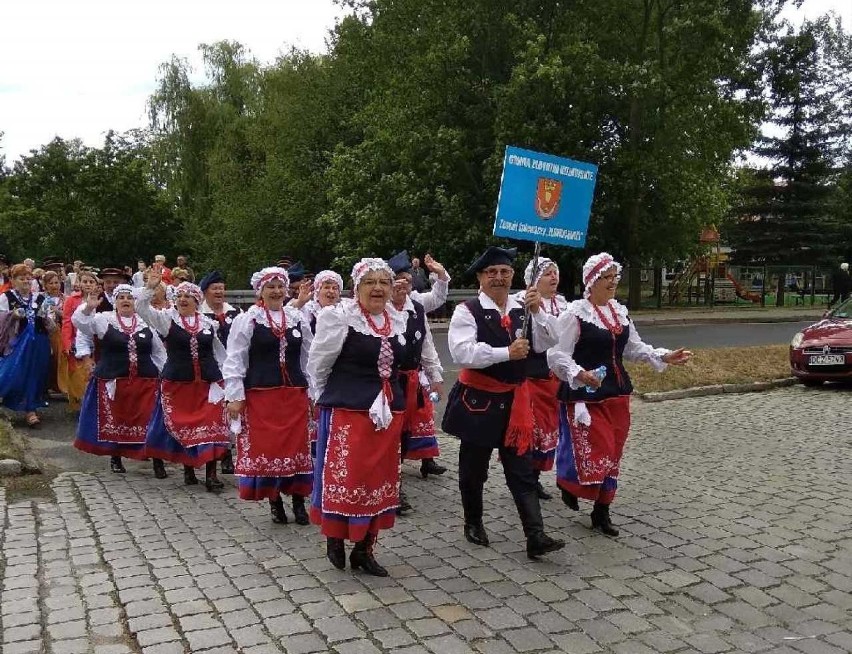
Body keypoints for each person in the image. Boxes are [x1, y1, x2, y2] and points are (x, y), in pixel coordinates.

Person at [547, 253, 692, 536]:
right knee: (596, 449)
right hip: (586, 394)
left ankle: (602, 511)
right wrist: (578, 373)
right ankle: (568, 483)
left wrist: (664, 355)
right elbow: (556, 355)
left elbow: (634, 348)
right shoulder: (575, 315)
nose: (613, 282)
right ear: (591, 281)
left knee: (613, 452)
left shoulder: (619, 312)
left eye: (615, 277)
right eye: (606, 278)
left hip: (617, 392)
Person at [442, 246, 565, 559]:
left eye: (504, 272)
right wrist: (504, 353)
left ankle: (535, 536)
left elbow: (550, 341)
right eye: (491, 272)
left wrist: (538, 311)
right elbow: (461, 352)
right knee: (473, 470)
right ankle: (473, 522)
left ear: (512, 276)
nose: (498, 277)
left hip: (514, 404)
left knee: (521, 471)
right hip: (479, 403)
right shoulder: (467, 310)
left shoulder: (524, 306)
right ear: (481, 277)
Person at [307, 258, 408, 577]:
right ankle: (336, 536)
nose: (378, 288)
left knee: (379, 479)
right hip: (349, 412)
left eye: (383, 282)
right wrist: (322, 400)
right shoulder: (338, 317)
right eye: (370, 282)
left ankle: (365, 549)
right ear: (357, 288)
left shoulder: (396, 319)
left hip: (388, 413)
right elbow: (319, 365)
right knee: (347, 478)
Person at [223, 267, 314, 524]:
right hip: (262, 397)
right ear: (260, 291)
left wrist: (314, 392)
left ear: (287, 290)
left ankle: (298, 502)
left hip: (294, 395)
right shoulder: (248, 319)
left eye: (280, 286)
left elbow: (309, 358)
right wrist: (235, 395)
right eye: (270, 287)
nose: (276, 291)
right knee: (270, 451)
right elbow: (235, 359)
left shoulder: (297, 318)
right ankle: (275, 502)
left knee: (297, 449)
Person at [137, 273, 230, 490]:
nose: (183, 299)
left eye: (188, 296)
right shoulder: (167, 320)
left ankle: (211, 474)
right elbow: (141, 309)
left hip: (208, 383)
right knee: (185, 427)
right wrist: (149, 289)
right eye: (179, 296)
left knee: (212, 426)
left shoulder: (209, 324)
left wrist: (227, 380)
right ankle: (189, 469)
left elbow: (220, 353)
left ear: (197, 301)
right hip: (178, 384)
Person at [72, 284, 166, 474]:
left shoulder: (145, 323)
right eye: (121, 297)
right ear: (115, 302)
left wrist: (164, 373)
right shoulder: (103, 320)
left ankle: (157, 460)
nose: (125, 300)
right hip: (114, 380)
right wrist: (89, 307)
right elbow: (82, 325)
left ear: (134, 303)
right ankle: (116, 457)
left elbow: (158, 353)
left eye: (129, 298)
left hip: (145, 381)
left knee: (149, 420)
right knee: (117, 419)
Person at [386, 250, 447, 515]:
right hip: (387, 382)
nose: (403, 284)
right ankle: (392, 487)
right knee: (391, 434)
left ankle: (393, 481)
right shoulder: (381, 308)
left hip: (411, 379)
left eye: (407, 279)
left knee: (407, 433)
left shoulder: (416, 307)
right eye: (397, 279)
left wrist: (435, 377)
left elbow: (427, 345)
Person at [511, 257, 569, 500]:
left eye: (556, 272)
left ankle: (534, 480)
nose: (554, 277)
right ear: (533, 280)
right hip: (530, 379)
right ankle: (524, 481)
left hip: (553, 381)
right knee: (531, 433)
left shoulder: (563, 305)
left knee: (547, 434)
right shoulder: (520, 303)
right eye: (547, 274)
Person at [0, 263, 56, 426]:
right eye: (21, 278)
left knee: (35, 375)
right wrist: (12, 315)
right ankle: (11, 399)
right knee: (12, 373)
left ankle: (31, 410)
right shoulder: (6, 297)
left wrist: (47, 319)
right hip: (16, 344)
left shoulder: (40, 298)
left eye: (28, 278)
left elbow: (50, 323)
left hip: (39, 342)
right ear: (13, 280)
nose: (26, 281)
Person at [62, 269, 100, 412]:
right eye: (85, 281)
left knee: (93, 372)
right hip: (76, 341)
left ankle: (93, 404)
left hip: (96, 342)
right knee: (78, 373)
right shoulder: (71, 300)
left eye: (91, 282)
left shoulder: (100, 299)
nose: (88, 284)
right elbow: (66, 322)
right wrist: (67, 343)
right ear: (79, 283)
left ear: (96, 285)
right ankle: (81, 404)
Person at [42, 270, 68, 395]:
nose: (54, 285)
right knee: (46, 358)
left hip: (60, 331)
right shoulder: (40, 298)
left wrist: (57, 311)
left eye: (56, 282)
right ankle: (45, 385)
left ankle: (58, 385)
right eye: (51, 283)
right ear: (45, 285)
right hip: (45, 331)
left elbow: (69, 317)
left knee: (59, 358)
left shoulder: (65, 298)